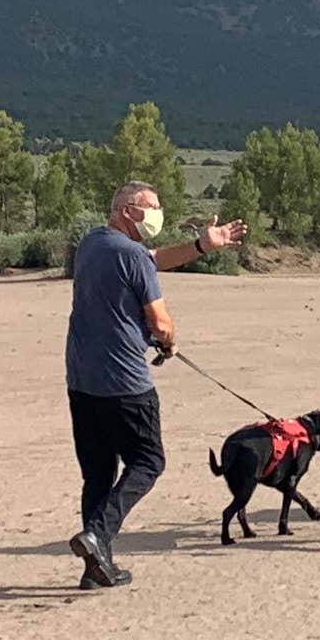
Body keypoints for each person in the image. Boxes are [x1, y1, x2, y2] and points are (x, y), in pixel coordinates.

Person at [63, 181, 243, 588]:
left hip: (82, 380)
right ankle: (97, 536)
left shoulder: (93, 244)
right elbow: (160, 321)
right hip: (125, 383)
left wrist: (201, 246)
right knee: (148, 462)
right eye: (153, 207)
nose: (158, 214)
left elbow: (153, 259)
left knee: (98, 474)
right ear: (128, 210)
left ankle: (96, 567)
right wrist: (168, 340)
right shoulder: (130, 255)